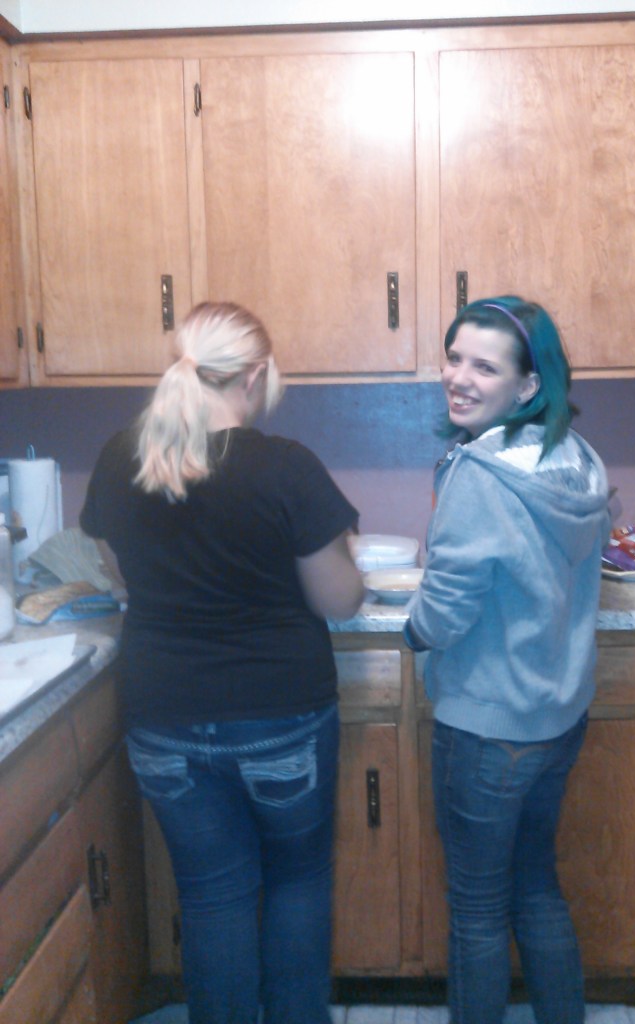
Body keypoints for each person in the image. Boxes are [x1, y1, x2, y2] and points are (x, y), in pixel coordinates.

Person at [80, 301, 364, 1024]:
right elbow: (339, 600)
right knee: (296, 884)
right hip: (280, 716)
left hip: (163, 715)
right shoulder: (286, 467)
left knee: (212, 898)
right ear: (256, 375)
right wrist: (349, 561)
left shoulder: (120, 458)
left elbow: (119, 573)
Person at [403, 296, 610, 1024]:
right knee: (536, 889)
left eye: (484, 367)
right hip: (558, 718)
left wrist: (414, 632)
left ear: (528, 385)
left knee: (478, 911)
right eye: (454, 357)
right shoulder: (576, 459)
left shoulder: (481, 474)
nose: (458, 377)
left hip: (487, 726)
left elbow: (445, 610)